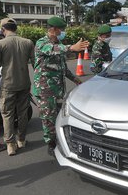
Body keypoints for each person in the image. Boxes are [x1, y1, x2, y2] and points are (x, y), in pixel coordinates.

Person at [33, 16, 89, 156]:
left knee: (59, 115)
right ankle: (50, 143)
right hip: (45, 88)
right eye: (61, 29)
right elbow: (52, 49)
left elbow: (63, 67)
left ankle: (59, 139)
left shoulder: (60, 43)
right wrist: (72, 47)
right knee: (48, 117)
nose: (63, 32)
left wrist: (75, 79)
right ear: (53, 29)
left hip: (58, 88)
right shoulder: (42, 43)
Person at [0, 18, 35, 156]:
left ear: (3, 29)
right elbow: (37, 65)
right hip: (24, 83)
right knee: (22, 113)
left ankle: (10, 144)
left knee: (7, 114)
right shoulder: (28, 42)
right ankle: (21, 140)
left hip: (7, 85)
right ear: (15, 28)